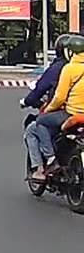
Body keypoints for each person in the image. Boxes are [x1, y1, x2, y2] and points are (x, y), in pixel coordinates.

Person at [30, 32, 84, 181]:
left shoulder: (70, 68)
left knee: (41, 122)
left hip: (72, 113)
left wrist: (48, 110)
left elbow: (59, 97)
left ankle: (51, 159)